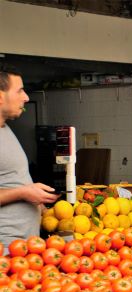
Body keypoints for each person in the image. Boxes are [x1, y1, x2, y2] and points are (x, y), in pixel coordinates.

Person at [0, 64, 58, 251]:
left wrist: (41, 206)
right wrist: (24, 193)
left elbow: (12, 179)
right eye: (20, 91)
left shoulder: (5, 129)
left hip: (25, 246)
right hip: (7, 247)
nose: (26, 97)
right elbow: (17, 189)